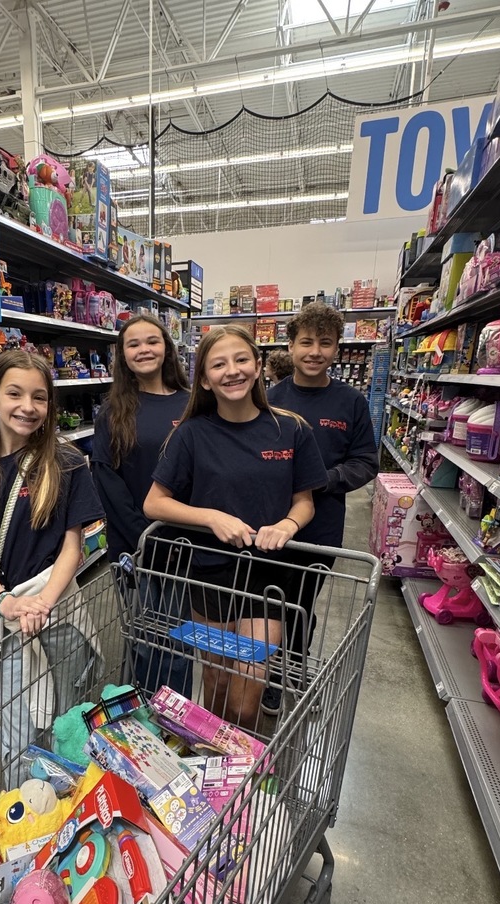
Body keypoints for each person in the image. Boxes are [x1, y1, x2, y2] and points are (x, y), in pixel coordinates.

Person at [144, 324, 327, 727]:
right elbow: (154, 503)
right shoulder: (191, 434)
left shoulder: (290, 428)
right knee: (216, 680)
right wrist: (212, 517)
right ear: (205, 379)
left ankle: (237, 752)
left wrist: (288, 525)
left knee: (247, 692)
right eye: (218, 364)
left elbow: (305, 502)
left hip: (270, 576)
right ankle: (217, 762)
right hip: (211, 575)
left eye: (242, 359)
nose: (233, 371)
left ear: (258, 366)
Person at [0, 350, 104, 765]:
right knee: (18, 728)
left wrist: (43, 602)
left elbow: (73, 544)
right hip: (9, 617)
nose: (28, 407)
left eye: (40, 397)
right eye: (14, 393)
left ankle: (70, 816)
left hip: (59, 610)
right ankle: (27, 813)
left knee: (68, 720)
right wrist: (8, 602)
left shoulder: (66, 461)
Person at [267, 302, 379, 662]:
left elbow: (365, 462)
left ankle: (293, 668)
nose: (315, 352)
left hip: (321, 527)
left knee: (299, 604)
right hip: (267, 521)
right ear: (291, 346)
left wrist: (322, 481)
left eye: (325, 343)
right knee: (266, 599)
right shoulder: (269, 399)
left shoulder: (352, 402)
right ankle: (264, 668)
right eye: (306, 342)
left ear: (337, 347)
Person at [91, 313, 192, 697]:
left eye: (152, 341)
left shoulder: (194, 403)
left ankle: (174, 720)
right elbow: (106, 479)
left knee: (180, 642)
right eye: (133, 344)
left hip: (187, 545)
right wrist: (143, 536)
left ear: (166, 347)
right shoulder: (114, 411)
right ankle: (147, 713)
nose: (144, 349)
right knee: (145, 637)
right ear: (122, 355)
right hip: (136, 545)